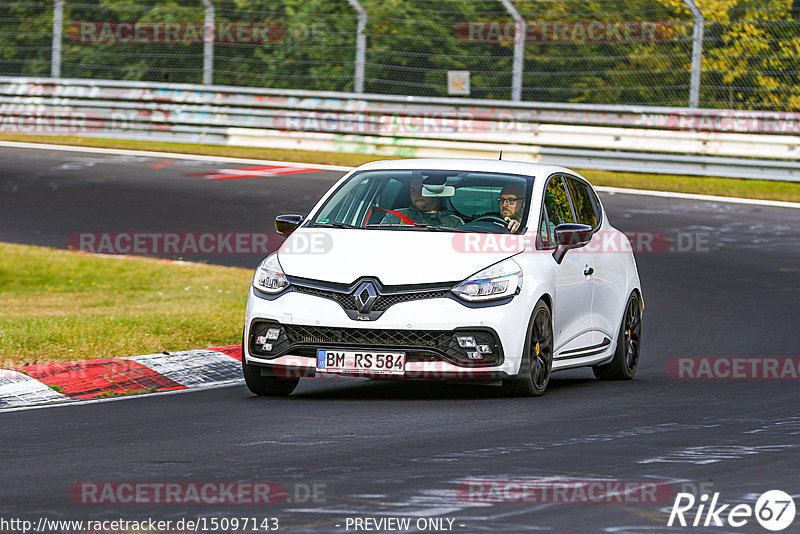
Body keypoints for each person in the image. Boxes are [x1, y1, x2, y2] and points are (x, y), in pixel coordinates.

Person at [379, 176, 464, 227]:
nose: (416, 194)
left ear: (435, 192)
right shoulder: (395, 217)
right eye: (412, 190)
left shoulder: (454, 222)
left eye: (421, 189)